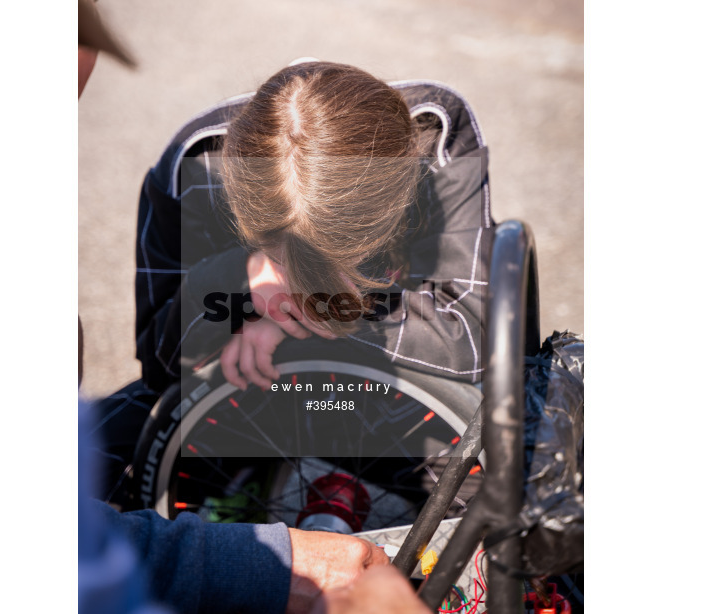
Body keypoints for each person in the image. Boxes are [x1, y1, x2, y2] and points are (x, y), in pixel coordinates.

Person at [78, 4, 410, 614]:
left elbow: (476, 346)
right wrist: (238, 286)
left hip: (374, 403)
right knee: (113, 437)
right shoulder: (191, 169)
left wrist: (332, 312)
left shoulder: (437, 140)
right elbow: (159, 357)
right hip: (239, 403)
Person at [134, 60, 494, 394]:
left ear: (398, 201)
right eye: (282, 258)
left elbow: (474, 339)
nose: (302, 276)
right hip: (258, 399)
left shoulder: (437, 127)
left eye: (343, 254)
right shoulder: (193, 166)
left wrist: (296, 318)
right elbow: (158, 364)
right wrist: (239, 276)